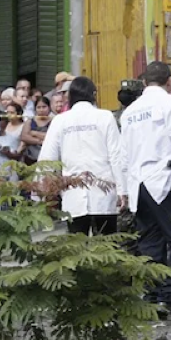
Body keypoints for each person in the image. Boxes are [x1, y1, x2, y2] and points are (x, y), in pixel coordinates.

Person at [122, 61, 171, 316]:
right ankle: (170, 295)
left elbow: (124, 154)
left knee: (150, 241)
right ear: (169, 82)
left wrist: (124, 190)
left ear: (143, 82)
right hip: (166, 183)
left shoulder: (130, 111)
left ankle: (153, 296)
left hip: (138, 186)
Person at [38, 77, 126, 235]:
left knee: (77, 250)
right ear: (93, 94)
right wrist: (123, 190)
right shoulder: (105, 117)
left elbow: (46, 160)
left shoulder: (60, 120)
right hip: (104, 194)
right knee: (107, 249)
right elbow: (116, 156)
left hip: (73, 195)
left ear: (70, 97)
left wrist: (40, 192)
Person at [0, 102, 26, 172]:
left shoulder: (22, 128)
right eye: (7, 112)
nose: (9, 115)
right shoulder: (2, 125)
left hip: (11, 167)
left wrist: (8, 153)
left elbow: (18, 154)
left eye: (12, 112)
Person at [21, 96, 53, 162]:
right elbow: (24, 137)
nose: (41, 110)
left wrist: (34, 133)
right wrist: (40, 141)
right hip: (30, 157)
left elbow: (51, 136)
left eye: (44, 107)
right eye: (38, 107)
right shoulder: (30, 121)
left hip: (47, 157)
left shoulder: (54, 121)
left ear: (49, 108)